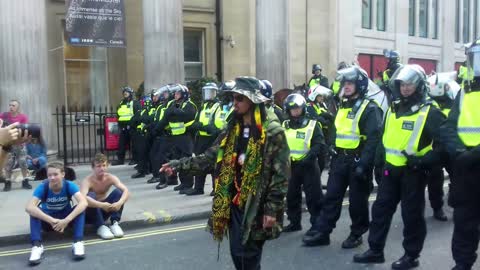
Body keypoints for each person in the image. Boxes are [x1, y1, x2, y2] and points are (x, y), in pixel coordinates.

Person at [160, 76, 290, 270]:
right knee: (239, 254)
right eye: (233, 98)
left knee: (248, 255)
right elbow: (210, 157)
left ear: (252, 101)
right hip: (234, 202)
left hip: (257, 204)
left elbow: (281, 175)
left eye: (239, 99)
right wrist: (179, 165)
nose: (234, 103)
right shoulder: (233, 128)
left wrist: (272, 209)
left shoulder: (272, 132)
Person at [353, 65, 446, 269]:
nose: (405, 88)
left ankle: (411, 257)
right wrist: (378, 163)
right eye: (402, 84)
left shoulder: (430, 111)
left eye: (410, 84)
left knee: (411, 217)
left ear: (419, 85)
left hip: (413, 173)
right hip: (390, 172)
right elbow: (384, 139)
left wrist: (423, 162)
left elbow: (445, 145)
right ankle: (375, 251)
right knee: (380, 212)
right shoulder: (393, 108)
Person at [303, 66, 383, 249]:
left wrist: (364, 164)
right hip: (340, 160)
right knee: (331, 197)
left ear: (360, 85)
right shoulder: (343, 106)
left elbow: (374, 139)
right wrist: (331, 146)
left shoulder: (370, 108)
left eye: (350, 83)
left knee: (357, 202)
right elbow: (336, 130)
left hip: (357, 160)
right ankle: (323, 232)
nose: (345, 86)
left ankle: (357, 234)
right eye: (344, 83)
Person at [441, 39, 480, 270]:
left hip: (470, 160)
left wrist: (473, 154)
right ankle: (462, 264)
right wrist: (458, 151)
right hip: (465, 169)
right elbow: (448, 127)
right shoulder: (464, 93)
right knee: (464, 221)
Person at [25, 161, 87, 265]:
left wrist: (66, 220)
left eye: (55, 174)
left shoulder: (69, 185)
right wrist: (52, 220)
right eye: (49, 175)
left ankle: (78, 242)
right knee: (34, 211)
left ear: (63, 174)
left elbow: (84, 203)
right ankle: (37, 246)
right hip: (49, 222)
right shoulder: (43, 187)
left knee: (80, 209)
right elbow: (29, 207)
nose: (52, 178)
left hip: (66, 220)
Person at [282, 93, 325, 233]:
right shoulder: (285, 125)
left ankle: (316, 224)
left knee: (314, 197)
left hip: (309, 166)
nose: (295, 111)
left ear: (303, 109)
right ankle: (294, 222)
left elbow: (319, 145)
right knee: (291, 196)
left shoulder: (313, 125)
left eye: (297, 108)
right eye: (292, 109)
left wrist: (309, 157)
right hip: (291, 167)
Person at [425, 76, 457, 221]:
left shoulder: (455, 104)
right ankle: (437, 208)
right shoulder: (429, 105)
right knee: (435, 180)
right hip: (436, 148)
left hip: (451, 148)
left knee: (458, 178)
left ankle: (457, 205)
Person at [80, 153, 130, 240]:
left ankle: (115, 223)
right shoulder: (87, 181)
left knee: (119, 192)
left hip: (106, 209)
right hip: (92, 213)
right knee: (90, 195)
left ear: (107, 166)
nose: (102, 168)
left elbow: (126, 191)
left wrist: (119, 203)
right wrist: (101, 205)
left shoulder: (110, 178)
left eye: (104, 165)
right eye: (98, 166)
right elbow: (82, 199)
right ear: (93, 168)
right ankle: (101, 227)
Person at [184, 82, 221, 195]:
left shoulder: (217, 106)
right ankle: (198, 188)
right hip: (201, 139)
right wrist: (197, 126)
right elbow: (195, 122)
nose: (208, 95)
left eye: (210, 92)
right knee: (199, 164)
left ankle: (216, 189)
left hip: (212, 140)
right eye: (206, 92)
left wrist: (202, 126)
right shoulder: (202, 106)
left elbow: (216, 127)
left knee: (214, 165)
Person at [161, 84, 198, 193]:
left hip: (186, 137)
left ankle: (188, 184)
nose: (175, 95)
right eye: (175, 93)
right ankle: (182, 183)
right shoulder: (173, 104)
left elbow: (186, 116)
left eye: (178, 93)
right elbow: (168, 116)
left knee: (186, 161)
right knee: (178, 160)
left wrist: (174, 113)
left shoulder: (190, 105)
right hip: (176, 137)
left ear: (184, 94)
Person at [1, 99, 32, 191]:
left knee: (23, 162)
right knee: (9, 163)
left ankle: (25, 181)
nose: (11, 107)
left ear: (18, 107)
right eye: (10, 105)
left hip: (19, 143)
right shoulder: (4, 115)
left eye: (13, 105)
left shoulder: (22, 117)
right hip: (9, 143)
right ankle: (7, 182)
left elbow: (25, 130)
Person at [112, 86, 141, 166]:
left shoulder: (135, 102)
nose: (125, 93)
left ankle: (135, 159)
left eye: (126, 92)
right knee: (121, 144)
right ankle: (120, 159)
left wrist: (131, 124)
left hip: (132, 127)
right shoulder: (121, 103)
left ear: (130, 93)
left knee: (134, 144)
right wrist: (120, 123)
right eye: (124, 92)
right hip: (123, 127)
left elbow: (137, 115)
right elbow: (118, 114)